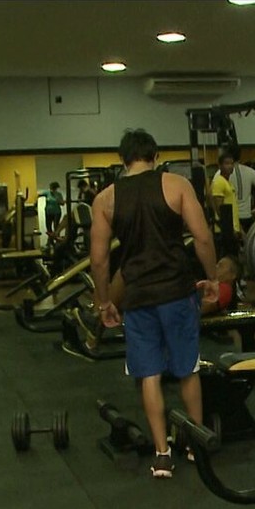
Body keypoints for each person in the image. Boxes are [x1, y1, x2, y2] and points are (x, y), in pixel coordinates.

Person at [89, 128, 219, 479]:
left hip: (138, 297)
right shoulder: (176, 185)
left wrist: (104, 303)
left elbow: (99, 261)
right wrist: (213, 277)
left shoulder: (105, 200)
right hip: (177, 291)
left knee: (148, 374)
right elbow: (203, 237)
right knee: (187, 369)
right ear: (155, 155)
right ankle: (195, 443)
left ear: (123, 159)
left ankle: (162, 454)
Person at [216, 147, 255, 236]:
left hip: (231, 219)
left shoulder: (221, 173)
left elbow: (212, 195)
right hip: (247, 217)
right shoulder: (250, 171)